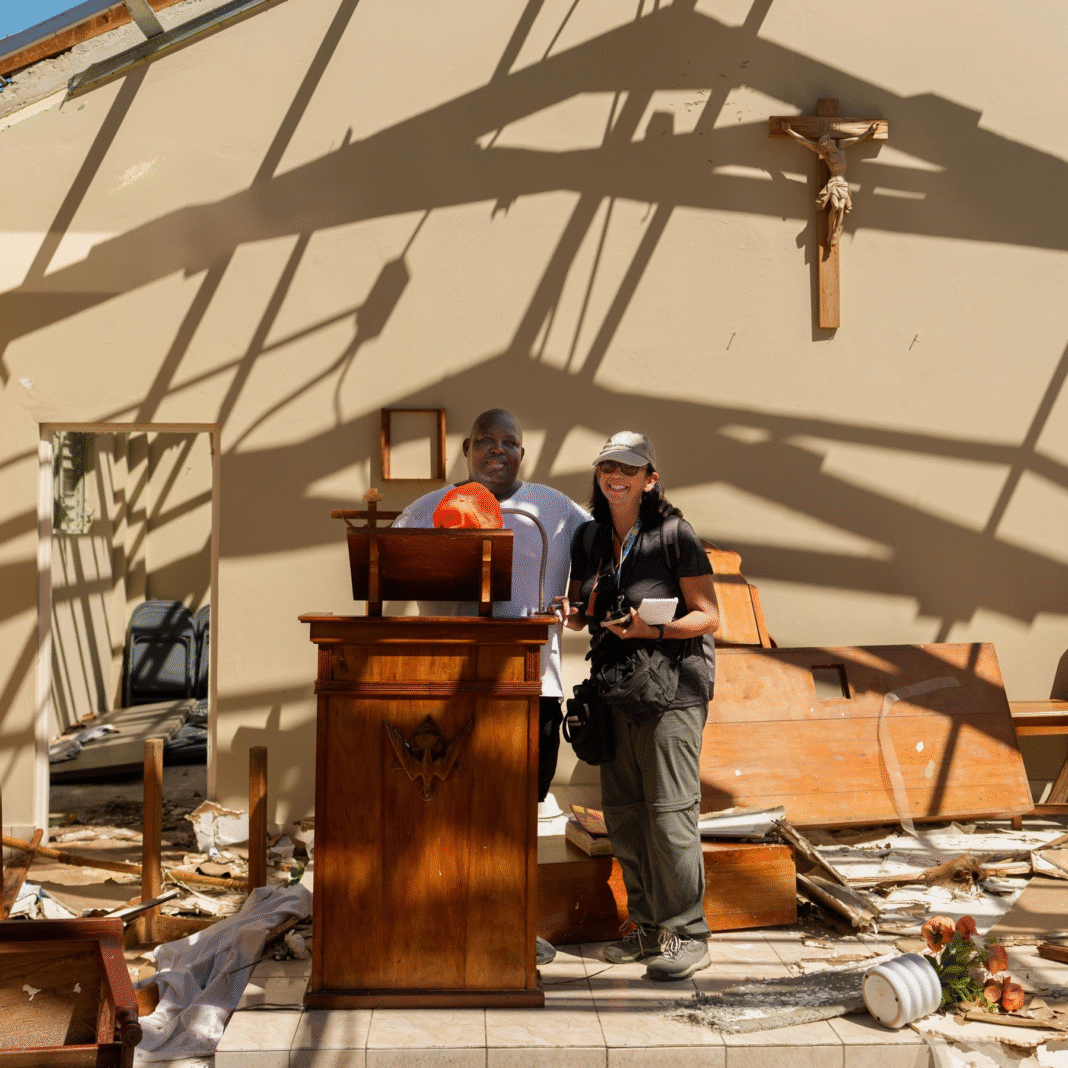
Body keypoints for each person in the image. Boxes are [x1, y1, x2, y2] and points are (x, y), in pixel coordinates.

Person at [553, 431, 720, 981]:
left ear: (650, 480)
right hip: (616, 690)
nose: (616, 476)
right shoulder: (589, 537)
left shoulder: (673, 534)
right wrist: (570, 613)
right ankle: (649, 929)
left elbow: (709, 616)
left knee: (669, 814)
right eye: (608, 466)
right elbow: (584, 610)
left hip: (672, 692)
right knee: (625, 816)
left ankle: (689, 933)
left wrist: (655, 630)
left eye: (629, 468)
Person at [393, 408, 590, 811]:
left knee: (525, 801)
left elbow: (602, 548)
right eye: (486, 440)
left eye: (509, 443)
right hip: (451, 678)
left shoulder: (554, 506)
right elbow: (390, 565)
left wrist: (579, 600)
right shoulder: (426, 510)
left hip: (534, 679)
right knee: (457, 799)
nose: (497, 450)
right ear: (467, 448)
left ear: (522, 453)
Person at [779, 119, 879, 246]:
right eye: (829, 140)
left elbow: (858, 139)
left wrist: (869, 131)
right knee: (835, 206)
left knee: (841, 207)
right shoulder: (825, 154)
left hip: (843, 183)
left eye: (830, 139)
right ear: (826, 146)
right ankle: (830, 232)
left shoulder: (842, 145)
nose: (832, 140)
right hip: (834, 183)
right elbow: (803, 141)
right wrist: (789, 130)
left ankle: (834, 232)